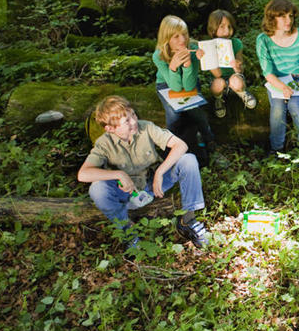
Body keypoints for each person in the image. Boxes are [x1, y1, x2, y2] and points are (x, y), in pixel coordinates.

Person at [77, 95, 208, 248]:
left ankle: (188, 220)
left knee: (189, 160)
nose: (133, 121)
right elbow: (83, 174)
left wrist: (160, 172)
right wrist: (119, 174)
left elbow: (181, 146)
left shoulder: (146, 127)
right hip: (127, 193)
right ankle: (127, 231)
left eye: (133, 114)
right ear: (110, 128)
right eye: (126, 121)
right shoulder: (104, 143)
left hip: (154, 184)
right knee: (97, 189)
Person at [255, 0, 299, 153]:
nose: (288, 20)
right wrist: (282, 87)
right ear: (272, 18)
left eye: (290, 16)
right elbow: (267, 71)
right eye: (282, 16)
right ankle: (276, 149)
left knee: (294, 104)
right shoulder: (263, 40)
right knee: (277, 107)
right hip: (277, 82)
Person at [152, 15, 215, 165]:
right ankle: (171, 145)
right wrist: (173, 67)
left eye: (185, 34)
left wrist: (188, 65)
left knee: (197, 111)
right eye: (176, 36)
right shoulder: (159, 56)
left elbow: (188, 86)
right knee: (174, 114)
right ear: (166, 39)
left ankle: (209, 139)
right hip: (166, 85)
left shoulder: (192, 49)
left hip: (190, 84)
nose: (182, 40)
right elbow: (174, 87)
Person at [205, 9, 257, 118]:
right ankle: (219, 99)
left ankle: (242, 93)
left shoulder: (236, 43)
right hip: (218, 79)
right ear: (213, 29)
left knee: (236, 81)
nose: (227, 31)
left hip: (234, 76)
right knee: (218, 84)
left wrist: (237, 66)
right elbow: (217, 75)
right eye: (222, 27)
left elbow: (240, 69)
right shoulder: (208, 46)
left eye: (230, 27)